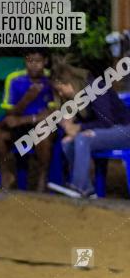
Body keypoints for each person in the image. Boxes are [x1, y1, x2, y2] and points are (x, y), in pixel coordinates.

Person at [48, 60, 130, 198]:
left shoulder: (95, 88)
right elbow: (88, 122)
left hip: (124, 130)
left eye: (60, 89)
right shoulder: (75, 99)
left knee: (81, 138)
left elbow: (107, 121)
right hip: (105, 132)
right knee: (67, 143)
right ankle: (85, 189)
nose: (60, 94)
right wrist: (69, 124)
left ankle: (80, 188)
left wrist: (80, 128)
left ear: (70, 83)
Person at [0, 49, 57, 191]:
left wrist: (24, 119)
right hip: (17, 128)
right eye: (30, 61)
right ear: (25, 61)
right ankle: (6, 174)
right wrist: (27, 99)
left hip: (38, 128)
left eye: (38, 61)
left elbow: (51, 113)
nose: (34, 65)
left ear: (45, 62)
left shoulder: (51, 80)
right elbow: (9, 112)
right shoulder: (14, 79)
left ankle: (42, 178)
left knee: (43, 132)